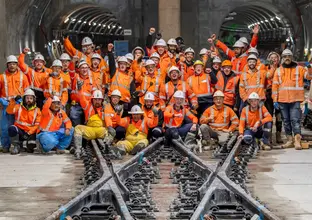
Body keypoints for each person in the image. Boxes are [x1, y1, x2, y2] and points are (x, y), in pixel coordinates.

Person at [272, 49, 312, 149]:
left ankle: (297, 140)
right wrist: (275, 100)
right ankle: (290, 140)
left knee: (295, 120)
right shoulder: (278, 70)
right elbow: (275, 86)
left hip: (295, 99)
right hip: (282, 100)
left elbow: (309, 77)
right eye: (285, 56)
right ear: (282, 58)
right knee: (286, 121)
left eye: (289, 56)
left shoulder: (299, 69)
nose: (287, 58)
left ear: (292, 57)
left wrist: (310, 68)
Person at [0, 55, 29, 152]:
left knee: (19, 125)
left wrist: (23, 101)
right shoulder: (2, 77)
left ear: (17, 65)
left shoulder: (23, 77)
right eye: (10, 64)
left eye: (14, 64)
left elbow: (27, 91)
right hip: (6, 105)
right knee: (5, 127)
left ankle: (18, 145)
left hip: (18, 105)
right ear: (7, 65)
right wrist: (1, 101)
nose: (12, 66)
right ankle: (5, 146)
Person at [73, 90, 114, 159]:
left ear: (102, 100)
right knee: (77, 128)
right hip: (90, 130)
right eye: (95, 99)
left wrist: (110, 126)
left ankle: (107, 148)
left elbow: (108, 118)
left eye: (99, 99)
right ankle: (78, 150)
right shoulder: (87, 106)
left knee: (112, 132)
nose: (97, 101)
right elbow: (82, 98)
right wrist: (80, 89)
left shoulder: (105, 108)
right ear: (92, 99)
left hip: (101, 130)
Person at [6, 89, 41, 154]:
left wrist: (29, 133)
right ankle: (16, 146)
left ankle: (28, 147)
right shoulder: (18, 107)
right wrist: (13, 101)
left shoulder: (37, 110)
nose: (29, 100)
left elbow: (37, 125)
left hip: (30, 132)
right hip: (20, 130)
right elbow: (9, 111)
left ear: (34, 100)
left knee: (31, 147)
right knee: (11, 129)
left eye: (31, 98)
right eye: (27, 98)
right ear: (24, 99)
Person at [70, 61, 97, 126]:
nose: (84, 70)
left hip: (88, 103)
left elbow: (94, 92)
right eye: (82, 68)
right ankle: (77, 131)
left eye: (86, 68)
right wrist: (72, 62)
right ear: (78, 69)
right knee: (73, 114)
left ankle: (88, 131)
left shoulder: (91, 79)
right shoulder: (75, 77)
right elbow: (71, 72)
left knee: (91, 118)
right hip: (77, 104)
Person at [264, 51, 283, 144]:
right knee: (269, 116)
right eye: (271, 57)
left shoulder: (282, 68)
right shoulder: (265, 68)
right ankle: (269, 135)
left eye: (275, 57)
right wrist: (272, 68)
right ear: (268, 59)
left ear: (278, 59)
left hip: (280, 94)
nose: (273, 59)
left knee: (279, 116)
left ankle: (278, 135)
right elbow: (267, 76)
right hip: (268, 93)